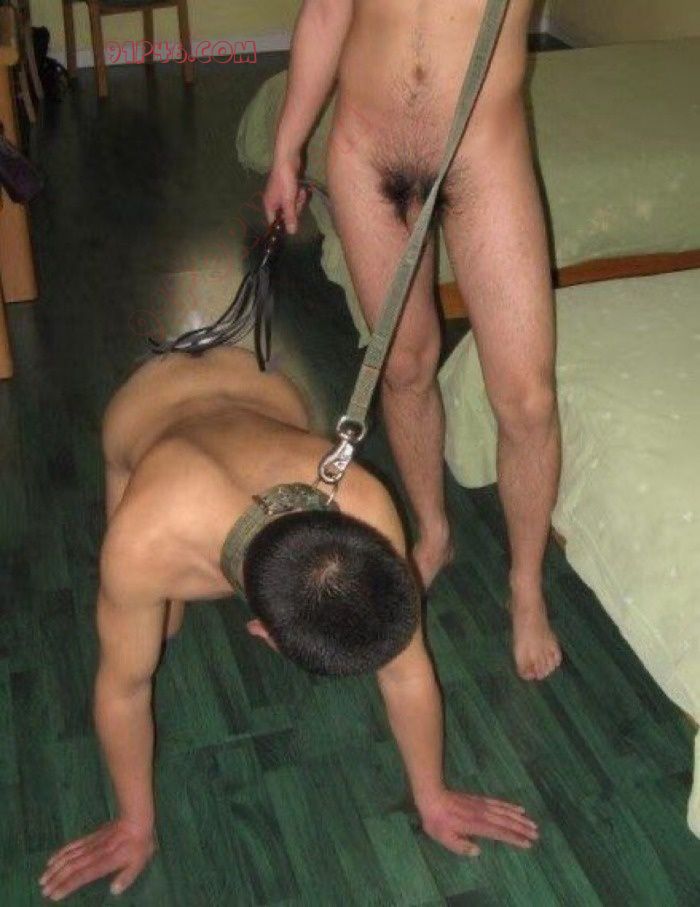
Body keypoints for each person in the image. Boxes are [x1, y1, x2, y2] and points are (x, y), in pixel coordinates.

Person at [38, 347, 538, 901]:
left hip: (262, 384)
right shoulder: (142, 544)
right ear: (263, 632)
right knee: (157, 635)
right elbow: (124, 689)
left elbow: (406, 668)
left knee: (157, 622)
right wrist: (134, 826)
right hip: (143, 405)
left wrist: (434, 797)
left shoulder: (363, 500)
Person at [263, 0, 563, 682]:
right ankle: (433, 534)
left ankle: (525, 585)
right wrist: (287, 148)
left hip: (483, 156)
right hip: (364, 154)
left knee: (528, 400)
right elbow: (326, 13)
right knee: (402, 366)